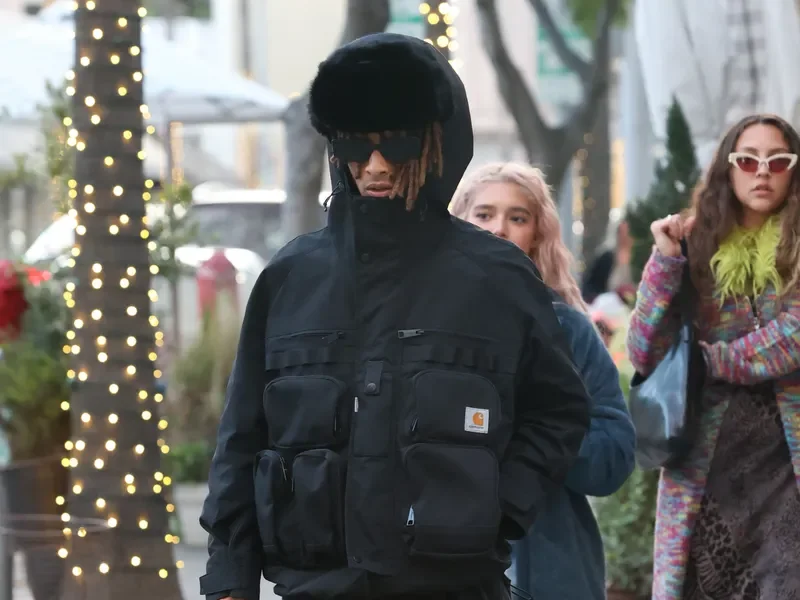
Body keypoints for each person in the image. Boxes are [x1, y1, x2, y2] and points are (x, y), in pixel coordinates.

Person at [199, 33, 591, 600]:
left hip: (455, 585)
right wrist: (230, 577)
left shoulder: (497, 279)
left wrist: (493, 510)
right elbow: (241, 437)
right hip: (316, 587)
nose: (376, 166)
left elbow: (559, 412)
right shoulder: (290, 277)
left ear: (436, 144)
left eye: (398, 144)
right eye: (358, 146)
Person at [627, 113, 800, 600]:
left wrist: (706, 362)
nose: (762, 170)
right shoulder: (692, 246)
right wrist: (665, 262)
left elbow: (791, 338)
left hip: (786, 466)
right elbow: (644, 352)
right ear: (728, 169)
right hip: (706, 464)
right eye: (748, 159)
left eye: (777, 160)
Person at [450, 162, 636, 600]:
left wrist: (537, 429)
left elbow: (613, 457)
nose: (499, 229)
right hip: (445, 568)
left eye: (518, 217)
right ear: (457, 225)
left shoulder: (569, 331)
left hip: (555, 571)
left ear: (537, 234)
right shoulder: (420, 326)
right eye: (484, 214)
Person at [581, 220, 634, 304]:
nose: (625, 236)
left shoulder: (637, 258)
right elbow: (590, 285)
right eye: (622, 232)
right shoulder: (607, 256)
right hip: (605, 304)